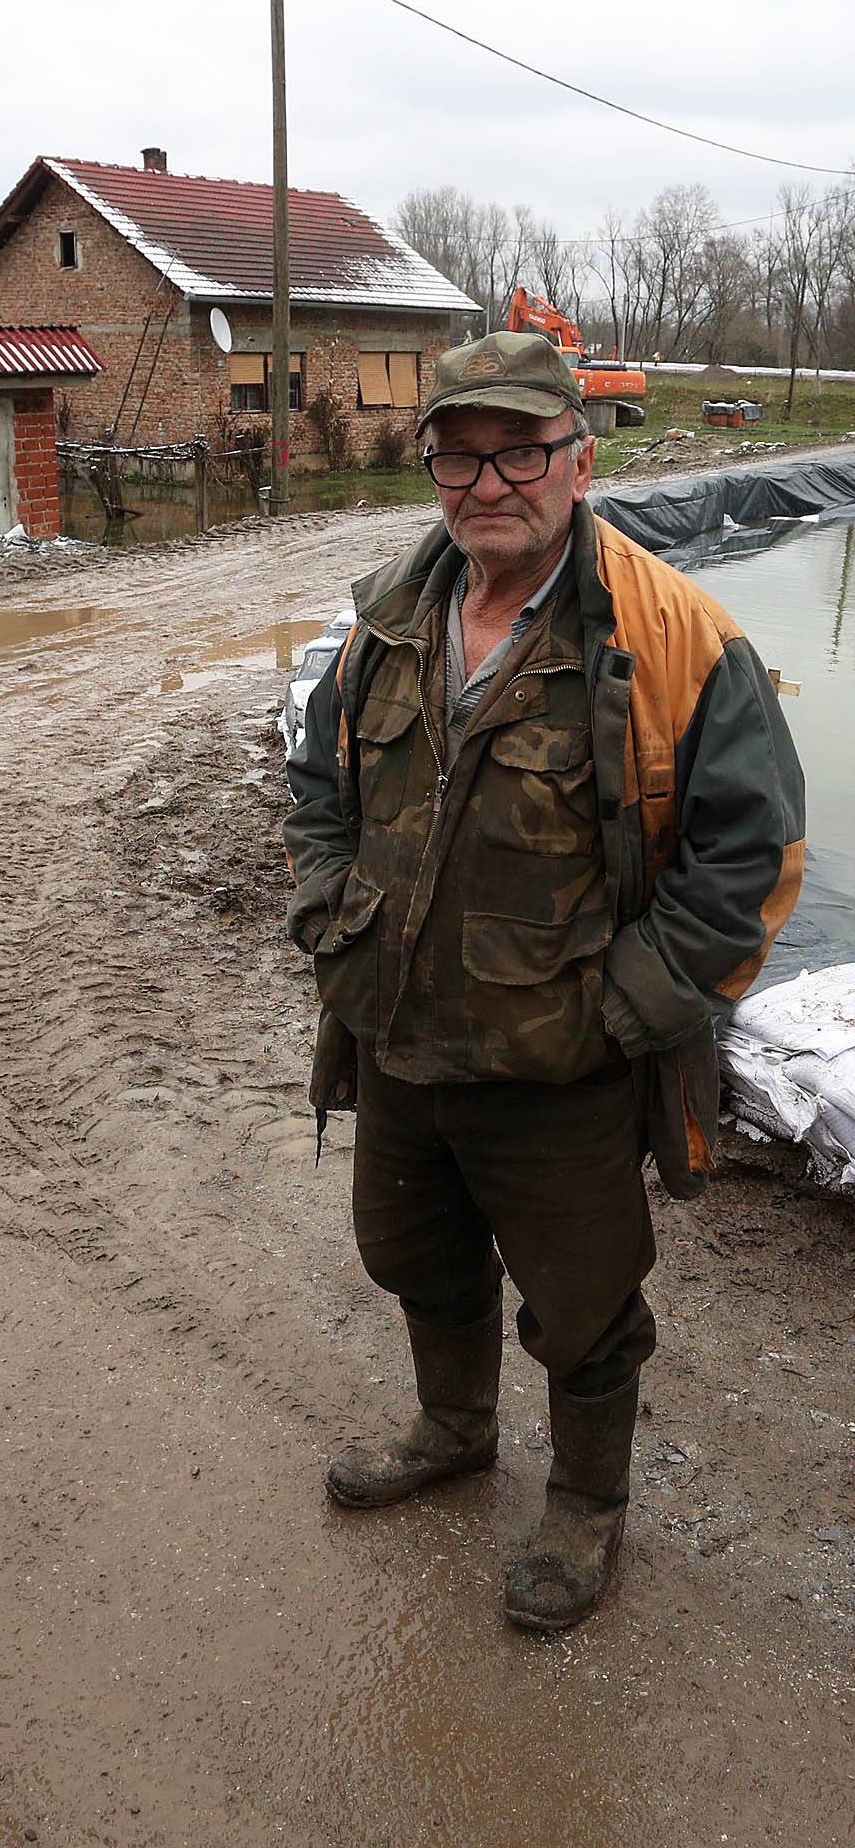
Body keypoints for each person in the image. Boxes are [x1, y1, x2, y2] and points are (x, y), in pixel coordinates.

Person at [284, 332, 804, 1630]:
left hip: (562, 1070)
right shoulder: (390, 619)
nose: (487, 480)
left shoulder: (672, 636)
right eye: (459, 454)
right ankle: (455, 1427)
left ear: (579, 457)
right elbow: (318, 785)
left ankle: (586, 1504)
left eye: (519, 449)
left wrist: (627, 1006)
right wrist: (327, 913)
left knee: (582, 1305)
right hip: (400, 1043)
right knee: (409, 1251)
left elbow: (754, 850)